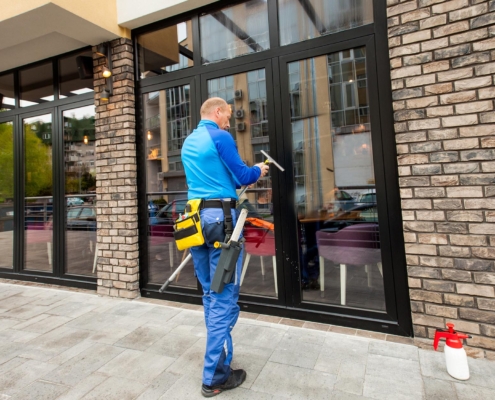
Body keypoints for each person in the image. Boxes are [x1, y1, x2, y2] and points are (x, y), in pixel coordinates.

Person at [181, 97, 269, 397]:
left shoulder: (189, 141)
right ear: (216, 112)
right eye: (227, 115)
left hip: (195, 221)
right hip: (222, 222)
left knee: (209, 291)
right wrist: (259, 169)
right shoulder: (220, 136)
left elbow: (217, 176)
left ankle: (218, 359)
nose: (229, 121)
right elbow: (242, 176)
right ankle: (214, 376)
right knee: (223, 294)